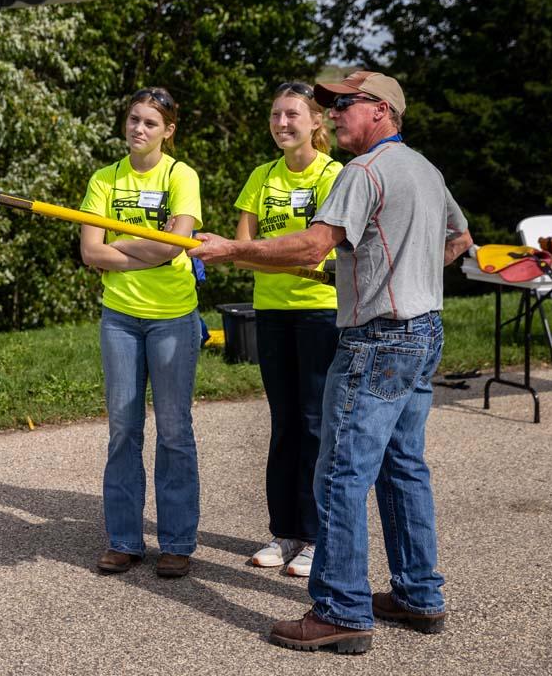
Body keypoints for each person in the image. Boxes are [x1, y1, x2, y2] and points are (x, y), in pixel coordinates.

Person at [188, 71, 473, 653]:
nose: (334, 112)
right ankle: (419, 594)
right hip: (424, 332)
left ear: (382, 111)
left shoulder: (361, 172)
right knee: (403, 467)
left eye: (345, 104)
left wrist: (230, 248)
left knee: (341, 472)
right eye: (331, 104)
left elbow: (312, 245)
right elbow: (458, 240)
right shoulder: (425, 169)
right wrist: (400, 274)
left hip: (377, 342)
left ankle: (341, 609)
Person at [79, 86, 203, 579]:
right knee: (123, 430)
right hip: (120, 319)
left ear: (167, 131)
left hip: (173, 316)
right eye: (133, 120)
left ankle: (176, 542)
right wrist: (146, 246)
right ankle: (124, 540)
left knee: (174, 431)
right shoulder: (104, 178)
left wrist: (124, 245)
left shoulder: (181, 175)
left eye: (150, 123)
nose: (138, 129)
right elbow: (91, 252)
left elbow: (175, 246)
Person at [235, 82, 342, 579]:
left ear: (317, 121)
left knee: (316, 424)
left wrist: (269, 255)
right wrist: (269, 256)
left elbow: (317, 247)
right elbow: (242, 246)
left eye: (292, 115)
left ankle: (318, 536)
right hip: (272, 309)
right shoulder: (260, 176)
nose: (282, 123)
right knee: (284, 424)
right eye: (276, 115)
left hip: (320, 310)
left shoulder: (334, 175)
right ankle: (286, 533)